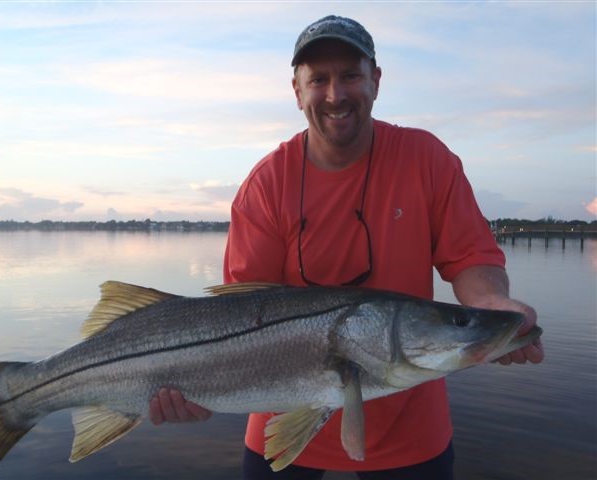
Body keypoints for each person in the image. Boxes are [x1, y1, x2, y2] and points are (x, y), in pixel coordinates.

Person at [149, 15, 544, 479]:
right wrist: (194, 383)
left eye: (350, 75)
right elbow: (241, 312)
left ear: (375, 81)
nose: (335, 95)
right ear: (297, 92)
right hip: (280, 423)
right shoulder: (266, 184)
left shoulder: (426, 160)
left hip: (411, 432)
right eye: (319, 80)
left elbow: (472, 256)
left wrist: (487, 304)